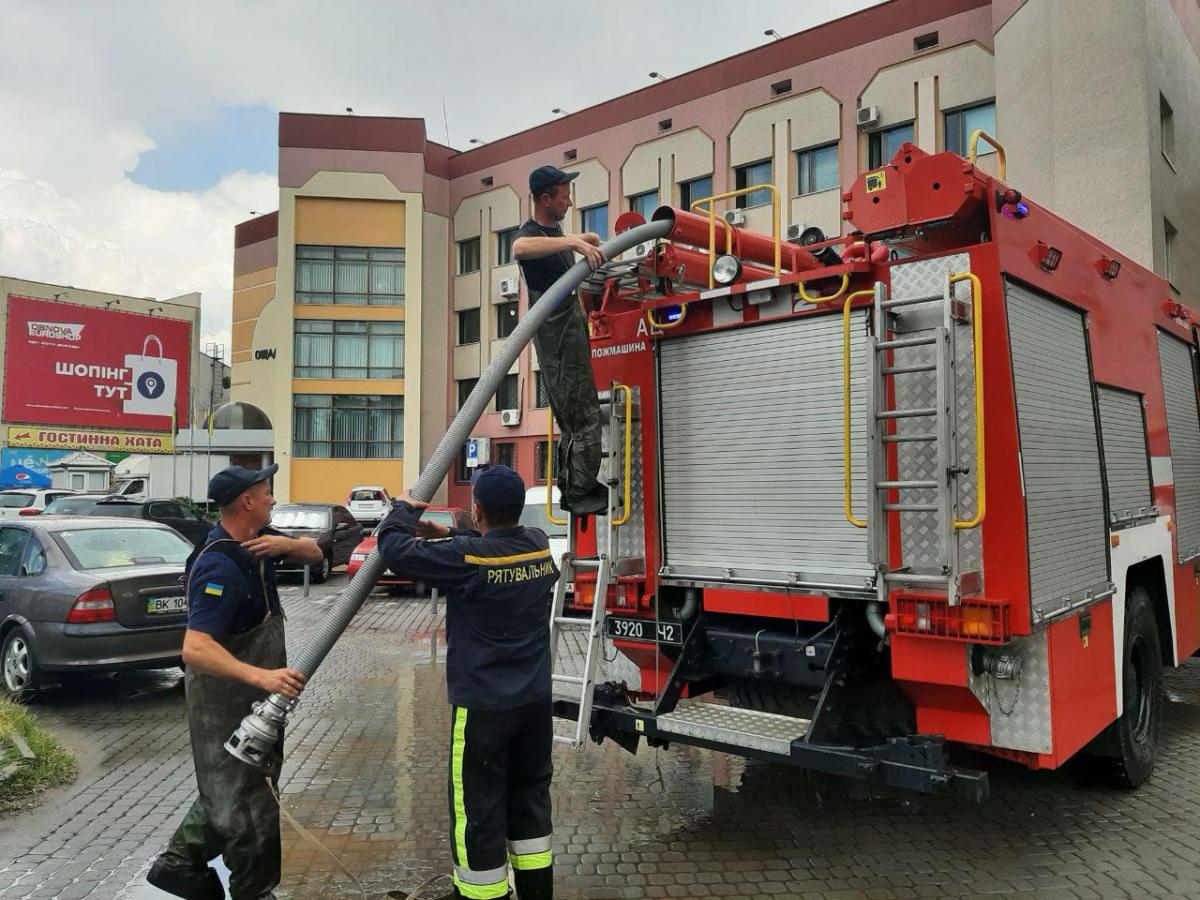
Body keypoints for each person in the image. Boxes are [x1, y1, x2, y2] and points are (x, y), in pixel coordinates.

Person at [377, 466, 559, 900]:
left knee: (477, 810)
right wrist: (447, 534)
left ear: (477, 509)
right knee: (530, 802)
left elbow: (393, 548)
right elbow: (492, 549)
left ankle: (481, 895)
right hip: (534, 704)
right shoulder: (538, 545)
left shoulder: (468, 560)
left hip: (483, 708)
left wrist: (401, 510)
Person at [148, 464, 323, 900]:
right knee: (246, 804)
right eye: (266, 492)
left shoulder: (259, 544)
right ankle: (254, 891)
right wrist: (261, 675)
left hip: (256, 702)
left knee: (234, 791)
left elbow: (316, 555)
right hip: (224, 704)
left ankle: (179, 864)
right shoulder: (220, 566)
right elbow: (195, 648)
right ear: (246, 500)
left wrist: (288, 544)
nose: (272, 499)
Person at [512, 164, 608, 516]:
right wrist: (572, 241)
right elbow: (519, 248)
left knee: (577, 415)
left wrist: (585, 238)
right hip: (558, 337)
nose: (569, 201)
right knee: (581, 414)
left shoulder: (553, 232)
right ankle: (581, 492)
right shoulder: (532, 234)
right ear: (545, 198)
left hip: (569, 329)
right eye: (564, 195)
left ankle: (577, 489)